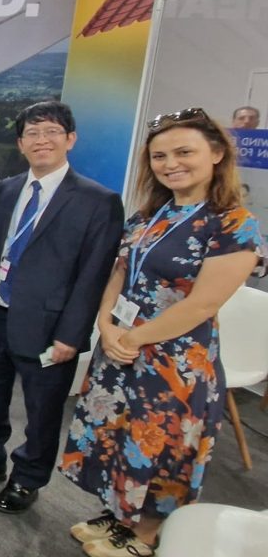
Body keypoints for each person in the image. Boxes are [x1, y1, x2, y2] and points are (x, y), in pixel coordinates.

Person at [60, 107, 263, 557]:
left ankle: (146, 533)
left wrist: (130, 338)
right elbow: (118, 270)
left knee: (160, 445)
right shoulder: (150, 214)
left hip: (175, 360)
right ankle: (119, 517)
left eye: (183, 152)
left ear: (215, 153)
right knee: (117, 431)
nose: (171, 163)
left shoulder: (234, 225)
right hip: (122, 347)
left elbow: (203, 303)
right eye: (159, 156)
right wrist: (105, 323)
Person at [0, 101, 122, 515]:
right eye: (32, 133)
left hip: (49, 329)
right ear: (20, 143)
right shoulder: (7, 189)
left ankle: (27, 478)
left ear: (70, 139)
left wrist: (72, 334)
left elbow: (93, 275)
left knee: (42, 412)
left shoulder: (98, 201)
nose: (41, 140)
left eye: (50, 132)